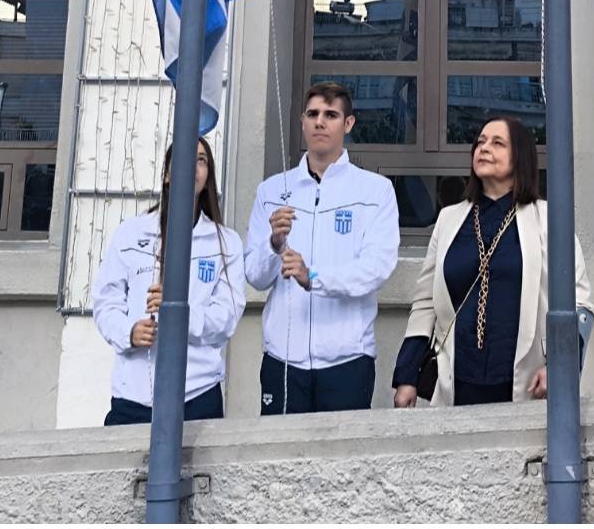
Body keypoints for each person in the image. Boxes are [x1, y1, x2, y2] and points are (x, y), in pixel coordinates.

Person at [392, 115, 591, 408]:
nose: (484, 148)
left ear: (520, 157)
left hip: (525, 384)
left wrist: (560, 367)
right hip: (456, 382)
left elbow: (581, 304)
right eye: (480, 142)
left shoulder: (549, 219)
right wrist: (407, 376)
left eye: (498, 143)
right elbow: (425, 303)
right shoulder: (449, 219)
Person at [244, 81, 400, 414]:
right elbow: (255, 276)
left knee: (341, 450)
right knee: (280, 447)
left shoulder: (375, 191)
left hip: (347, 359)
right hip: (283, 358)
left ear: (348, 124)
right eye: (312, 114)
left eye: (330, 115)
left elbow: (375, 269)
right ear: (302, 122)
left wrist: (313, 277)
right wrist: (273, 245)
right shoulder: (271, 190)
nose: (320, 122)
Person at [93, 135, 245, 424]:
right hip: (133, 395)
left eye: (201, 160)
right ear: (166, 174)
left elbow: (226, 319)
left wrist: (179, 311)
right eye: (184, 158)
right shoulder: (131, 233)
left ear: (208, 176)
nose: (192, 166)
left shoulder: (226, 243)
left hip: (197, 394)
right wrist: (128, 332)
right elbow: (105, 302)